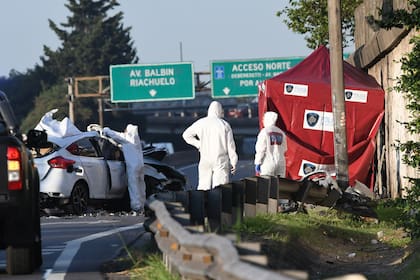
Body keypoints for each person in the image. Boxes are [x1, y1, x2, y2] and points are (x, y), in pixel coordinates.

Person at [182, 101, 238, 191]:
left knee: (203, 186)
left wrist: (199, 144)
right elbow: (230, 146)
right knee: (220, 187)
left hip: (205, 158)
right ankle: (218, 204)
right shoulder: (224, 125)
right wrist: (234, 161)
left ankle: (202, 203)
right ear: (219, 110)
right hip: (220, 159)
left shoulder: (200, 123)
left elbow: (186, 135)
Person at [103, 124, 146, 215]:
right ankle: (142, 205)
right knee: (141, 186)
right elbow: (120, 137)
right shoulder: (135, 140)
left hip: (133, 167)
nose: (125, 131)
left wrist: (106, 130)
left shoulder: (127, 139)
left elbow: (116, 135)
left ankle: (136, 207)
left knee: (133, 186)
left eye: (126, 130)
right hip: (140, 166)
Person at [254, 111, 288, 177]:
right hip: (280, 162)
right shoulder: (281, 133)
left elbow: (261, 150)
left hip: (267, 163)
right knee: (280, 185)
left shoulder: (264, 132)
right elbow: (285, 148)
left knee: (266, 185)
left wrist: (258, 162)